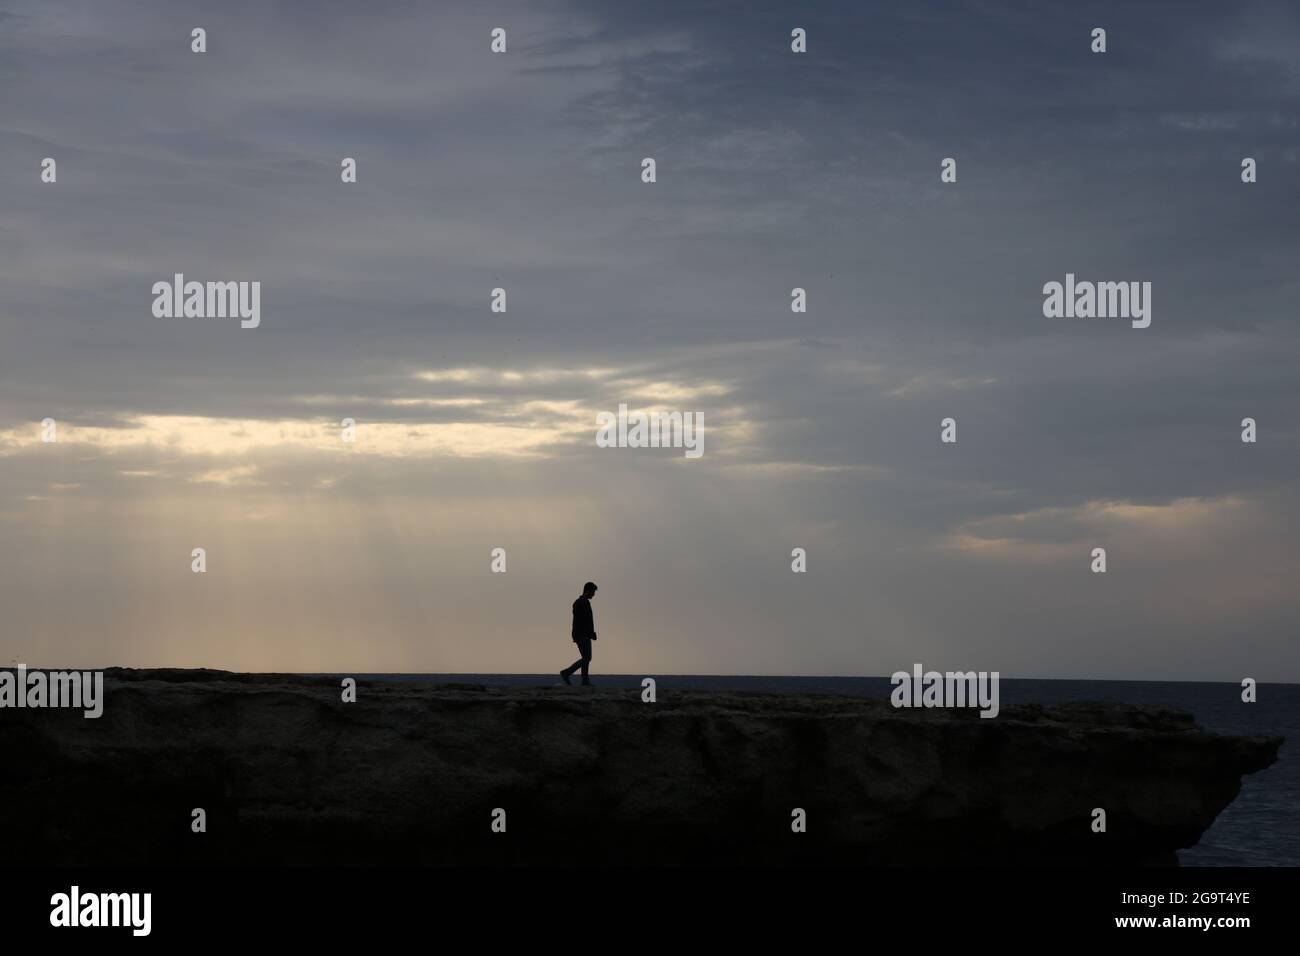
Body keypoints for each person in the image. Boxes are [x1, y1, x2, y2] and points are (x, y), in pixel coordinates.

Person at [561, 582, 598, 686]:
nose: (593, 594)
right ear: (588, 590)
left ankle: (585, 681)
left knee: (586, 657)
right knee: (587, 658)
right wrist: (591, 633)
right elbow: (585, 621)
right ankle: (567, 672)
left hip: (580, 634)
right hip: (582, 634)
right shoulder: (583, 602)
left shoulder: (579, 602)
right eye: (593, 592)